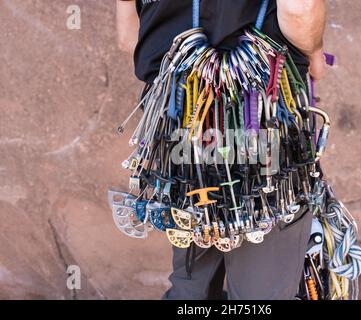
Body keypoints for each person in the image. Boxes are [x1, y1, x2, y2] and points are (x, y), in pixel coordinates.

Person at [116, 0, 327, 300]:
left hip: (177, 119)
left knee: (192, 281)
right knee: (261, 291)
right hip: (262, 119)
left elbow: (128, 37)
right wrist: (315, 52)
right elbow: (299, 8)